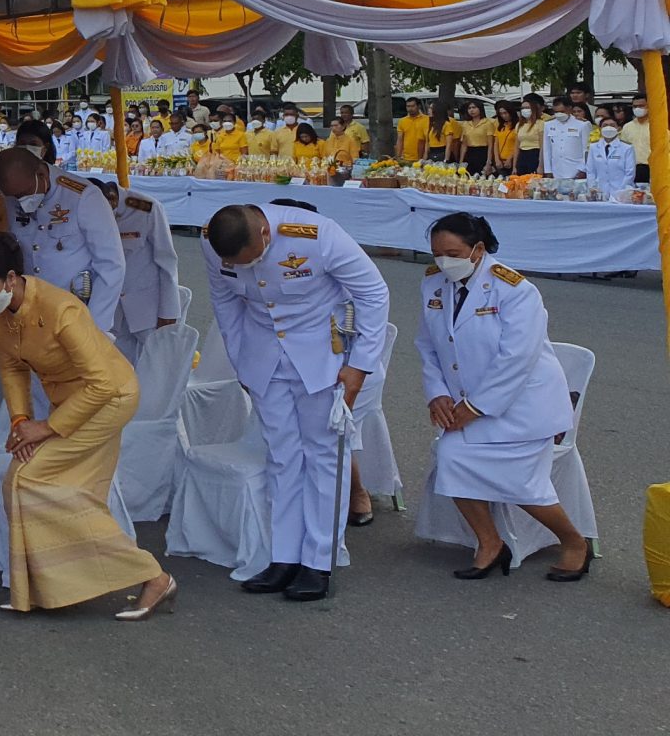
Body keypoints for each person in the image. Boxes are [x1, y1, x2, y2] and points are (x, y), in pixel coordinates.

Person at [0, 233, 177, 619]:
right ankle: (45, 589)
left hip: (110, 400)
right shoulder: (0, 309)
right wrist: (20, 420)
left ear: (11, 278)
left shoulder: (62, 310)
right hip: (71, 403)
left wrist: (45, 428)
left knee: (26, 479)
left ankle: (153, 576)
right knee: (62, 491)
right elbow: (10, 366)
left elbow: (103, 384)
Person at [201, 203, 390, 603]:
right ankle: (284, 557)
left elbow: (373, 293)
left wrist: (359, 366)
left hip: (321, 356)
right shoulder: (210, 241)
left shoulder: (316, 234)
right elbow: (226, 305)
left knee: (323, 456)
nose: (246, 268)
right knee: (282, 456)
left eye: (252, 259)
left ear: (265, 236)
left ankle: (319, 562)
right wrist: (242, 364)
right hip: (263, 359)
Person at [413, 212, 591, 580]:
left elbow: (518, 359)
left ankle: (574, 542)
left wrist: (477, 407)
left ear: (477, 249)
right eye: (436, 254)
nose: (444, 261)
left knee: (520, 482)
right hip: (467, 406)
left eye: (452, 252)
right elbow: (429, 345)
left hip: (524, 408)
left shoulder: (515, 290)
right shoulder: (433, 285)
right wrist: (438, 394)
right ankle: (490, 542)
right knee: (451, 457)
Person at [0, 148, 125, 333]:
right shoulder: (13, 192)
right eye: (14, 196)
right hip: (32, 310)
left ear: (41, 174)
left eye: (24, 193)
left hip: (75, 311)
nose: (20, 201)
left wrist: (95, 327)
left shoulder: (83, 195)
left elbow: (111, 265)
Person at [97, 177, 182, 346]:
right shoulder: (83, 208)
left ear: (113, 199)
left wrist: (168, 310)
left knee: (156, 364)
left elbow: (167, 261)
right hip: (110, 310)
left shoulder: (146, 208)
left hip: (147, 308)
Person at [584, 117, 638, 198]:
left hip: (621, 192)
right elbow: (590, 171)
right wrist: (593, 188)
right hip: (599, 192)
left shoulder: (627, 147)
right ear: (600, 128)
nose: (608, 128)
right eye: (605, 125)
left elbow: (630, 173)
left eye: (612, 125)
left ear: (618, 128)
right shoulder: (594, 147)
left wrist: (620, 192)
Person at [546, 100, 593, 181]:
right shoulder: (548, 124)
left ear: (569, 109)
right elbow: (547, 149)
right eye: (556, 112)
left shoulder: (582, 124)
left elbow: (587, 149)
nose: (559, 114)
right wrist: (548, 170)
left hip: (576, 170)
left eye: (562, 111)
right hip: (557, 170)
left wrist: (583, 169)